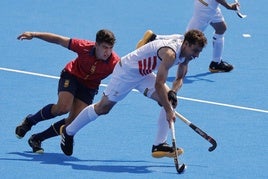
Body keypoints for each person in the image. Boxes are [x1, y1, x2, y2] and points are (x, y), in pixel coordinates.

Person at [60, 29, 207, 157]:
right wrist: (168, 111)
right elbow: (159, 83)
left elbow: (180, 76)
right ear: (186, 44)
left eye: (199, 52)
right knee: (103, 108)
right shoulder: (170, 53)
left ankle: (159, 145)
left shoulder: (187, 50)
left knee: (170, 100)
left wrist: (173, 92)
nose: (196, 55)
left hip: (144, 73)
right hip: (127, 72)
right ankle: (69, 131)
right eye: (195, 51)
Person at [15, 29, 120, 153]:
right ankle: (30, 121)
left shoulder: (115, 62)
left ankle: (37, 138)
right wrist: (34, 35)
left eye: (110, 48)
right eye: (104, 47)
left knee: (73, 122)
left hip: (89, 87)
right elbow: (59, 40)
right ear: (96, 45)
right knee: (63, 107)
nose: (107, 52)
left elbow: (130, 74)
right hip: (72, 76)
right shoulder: (83, 46)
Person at [136, 0, 239, 73]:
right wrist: (229, 6)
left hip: (211, 5)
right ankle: (154, 38)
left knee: (221, 28)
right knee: (187, 39)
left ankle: (216, 62)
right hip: (207, 7)